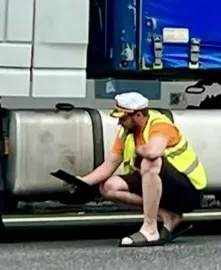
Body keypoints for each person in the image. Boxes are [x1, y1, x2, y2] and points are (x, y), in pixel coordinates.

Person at [80, 91, 208, 247]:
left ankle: (150, 229)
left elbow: (153, 152)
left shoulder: (160, 125)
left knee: (150, 162)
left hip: (187, 190)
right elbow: (109, 165)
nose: (119, 122)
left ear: (138, 115)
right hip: (154, 186)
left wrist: (138, 150)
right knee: (108, 187)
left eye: (123, 118)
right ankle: (168, 216)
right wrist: (82, 182)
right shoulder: (125, 133)